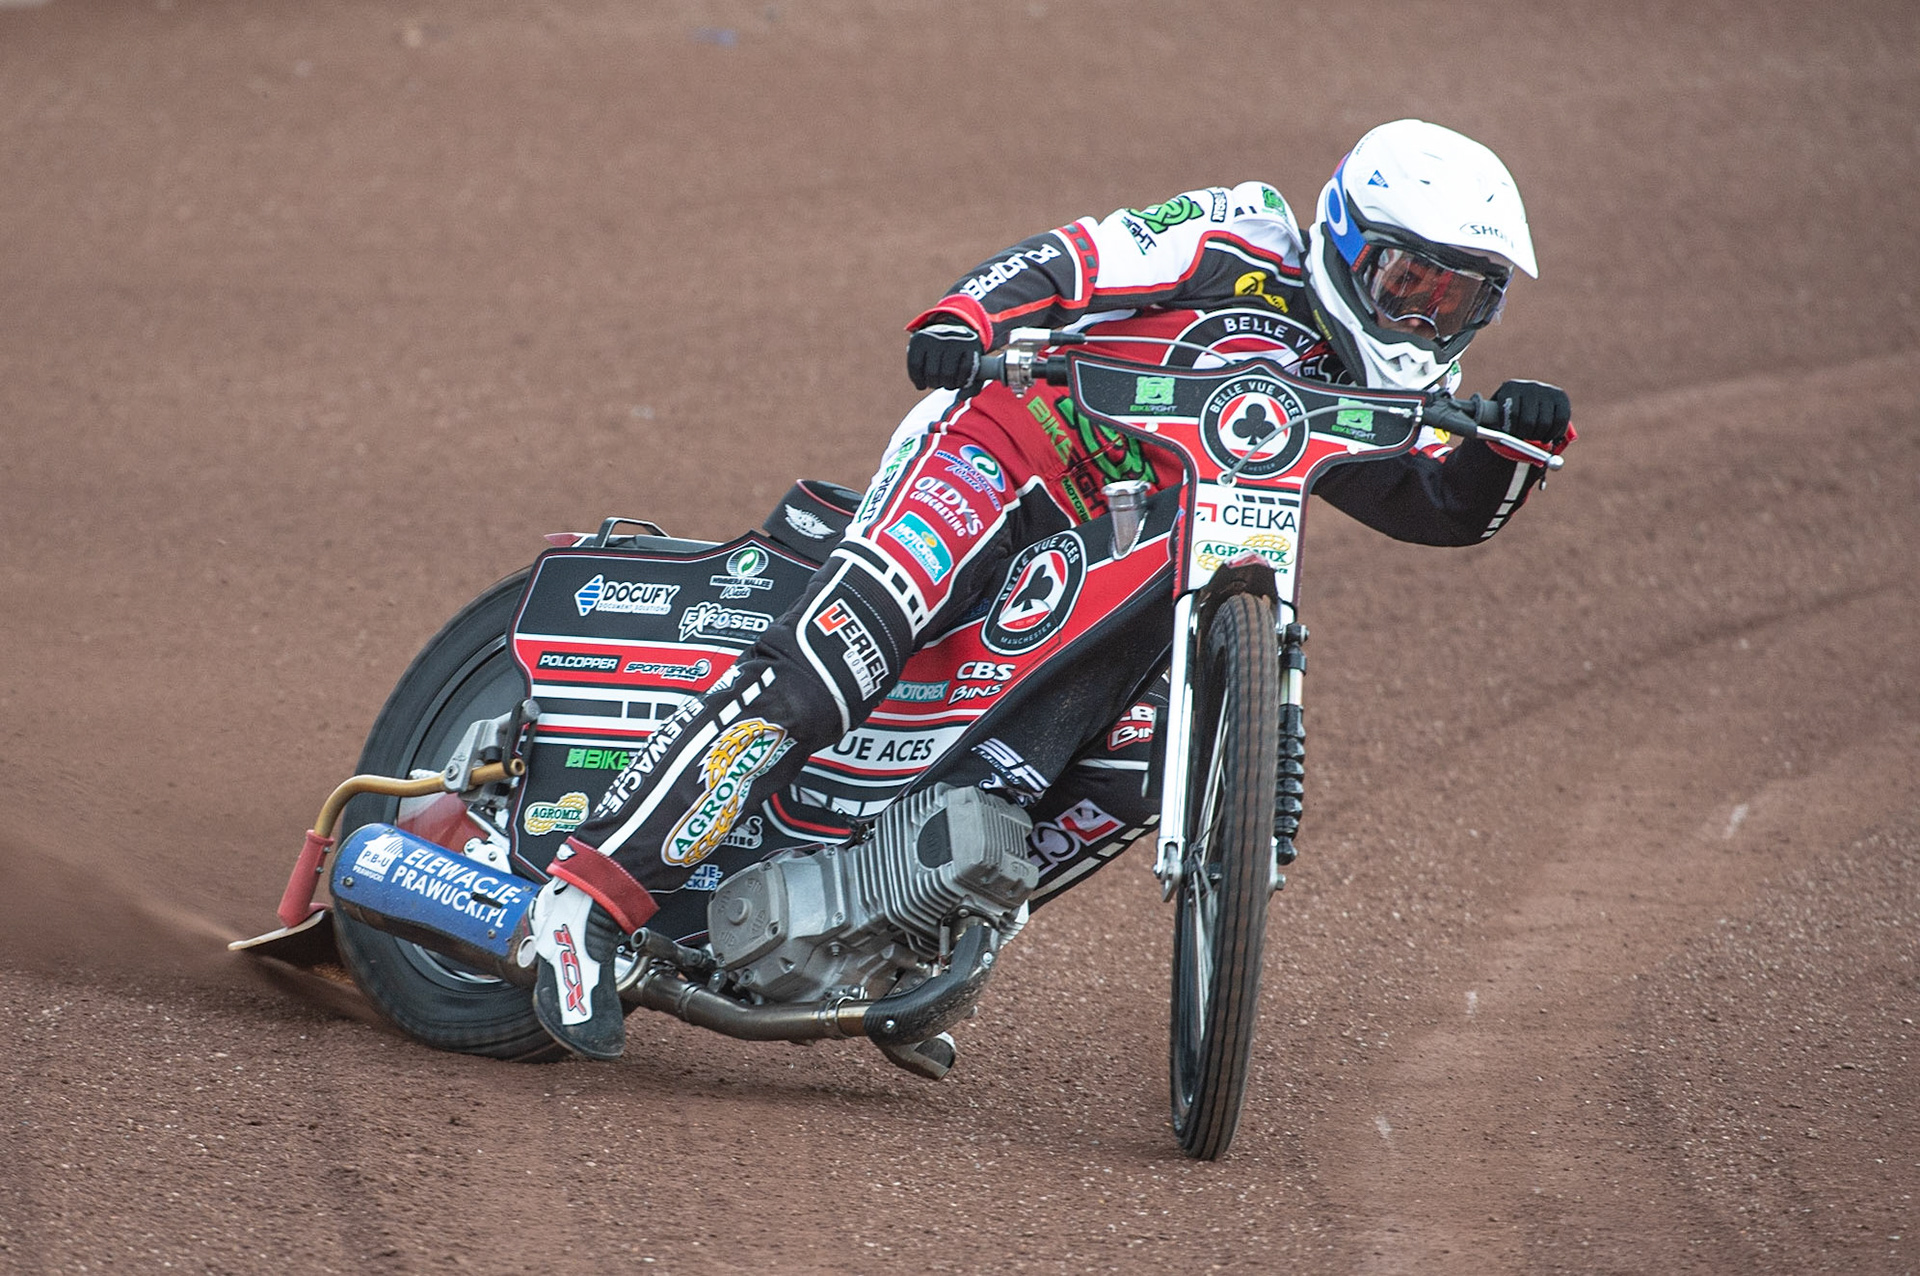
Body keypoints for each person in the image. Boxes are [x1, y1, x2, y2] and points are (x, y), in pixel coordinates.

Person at [522, 118, 1576, 1060]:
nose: (1425, 319)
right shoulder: (1239, 229)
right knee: (846, 646)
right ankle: (587, 900)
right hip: (1003, 451)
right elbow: (1071, 259)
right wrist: (965, 319)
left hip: (1144, 551)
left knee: (1137, 767)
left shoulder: (1391, 386)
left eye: (1459, 298)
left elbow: (1440, 507)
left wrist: (1514, 446)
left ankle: (898, 938)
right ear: (1345, 236)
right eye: (1409, 281)